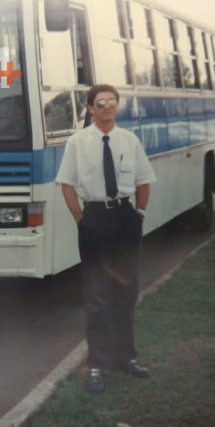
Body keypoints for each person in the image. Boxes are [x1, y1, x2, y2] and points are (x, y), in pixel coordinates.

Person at [56, 84, 156, 393]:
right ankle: (97, 364)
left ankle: (125, 357)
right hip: (95, 219)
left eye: (112, 103)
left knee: (127, 290)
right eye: (101, 103)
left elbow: (143, 180)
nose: (107, 108)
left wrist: (139, 212)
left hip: (125, 218)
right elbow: (67, 184)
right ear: (90, 108)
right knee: (97, 295)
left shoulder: (129, 140)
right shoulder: (78, 142)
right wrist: (80, 219)